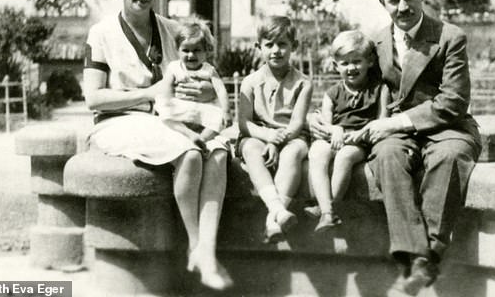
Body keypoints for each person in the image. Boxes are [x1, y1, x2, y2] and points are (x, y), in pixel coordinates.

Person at [311, 0, 481, 296]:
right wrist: (321, 118)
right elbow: (353, 88)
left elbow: (454, 101)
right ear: (382, 3)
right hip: (396, 133)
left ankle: (429, 255)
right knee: (386, 154)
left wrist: (391, 122)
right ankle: (410, 255)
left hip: (446, 126)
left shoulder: (449, 36)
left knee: (448, 157)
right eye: (394, 1)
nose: (403, 7)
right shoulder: (376, 41)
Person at [82, 0, 233, 291]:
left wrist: (205, 90)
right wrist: (149, 93)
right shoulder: (101, 32)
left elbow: (198, 77)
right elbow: (93, 98)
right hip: (118, 121)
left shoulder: (171, 30)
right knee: (191, 153)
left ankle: (206, 249)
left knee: (219, 150)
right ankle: (196, 245)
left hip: (169, 119)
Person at [237, 15, 313, 243]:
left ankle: (272, 220)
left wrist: (278, 141)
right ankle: (278, 209)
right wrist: (268, 137)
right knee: (251, 149)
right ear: (259, 47)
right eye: (269, 45)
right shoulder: (250, 82)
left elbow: (298, 123)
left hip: (291, 135)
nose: (276, 50)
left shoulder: (303, 83)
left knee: (294, 153)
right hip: (259, 133)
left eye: (282, 44)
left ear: (294, 47)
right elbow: (244, 123)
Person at [305, 30, 387, 232]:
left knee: (344, 157)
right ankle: (326, 208)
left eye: (357, 61)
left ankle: (328, 211)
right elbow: (325, 123)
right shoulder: (332, 93)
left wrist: (359, 134)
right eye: (344, 63)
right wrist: (336, 129)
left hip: (361, 140)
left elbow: (382, 120)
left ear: (369, 62)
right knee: (317, 152)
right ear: (335, 65)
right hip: (335, 137)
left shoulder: (379, 89)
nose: (351, 68)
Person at [154, 17, 231, 158]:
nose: (191, 55)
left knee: (218, 118)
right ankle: (189, 134)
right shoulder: (174, 67)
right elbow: (165, 86)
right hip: (181, 107)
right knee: (164, 114)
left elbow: (220, 90)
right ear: (177, 50)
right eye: (186, 50)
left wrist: (226, 111)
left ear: (206, 51)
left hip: (202, 110)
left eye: (197, 50)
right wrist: (167, 100)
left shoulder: (209, 70)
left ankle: (202, 139)